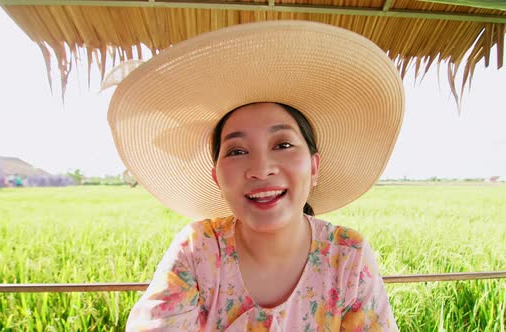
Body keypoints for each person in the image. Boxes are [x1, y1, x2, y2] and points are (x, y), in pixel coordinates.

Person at [108, 20, 404, 331]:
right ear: (217, 177)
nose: (262, 169)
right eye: (237, 151)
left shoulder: (347, 256)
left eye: (283, 144)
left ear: (314, 167)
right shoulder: (199, 250)